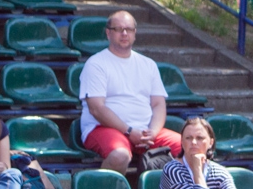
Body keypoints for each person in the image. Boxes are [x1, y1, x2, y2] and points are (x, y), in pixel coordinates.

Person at [78, 9, 182, 173]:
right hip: (103, 128)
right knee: (120, 155)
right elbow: (96, 108)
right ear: (108, 33)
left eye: (129, 29)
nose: (124, 33)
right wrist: (129, 131)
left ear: (135, 33)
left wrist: (153, 133)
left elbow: (158, 104)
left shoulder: (148, 64)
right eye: (118, 29)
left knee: (191, 148)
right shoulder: (96, 64)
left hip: (146, 131)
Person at [150, 118, 244, 189]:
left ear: (210, 142)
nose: (194, 143)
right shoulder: (172, 170)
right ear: (182, 142)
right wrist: (197, 169)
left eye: (200, 138)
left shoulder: (218, 171)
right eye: (188, 138)